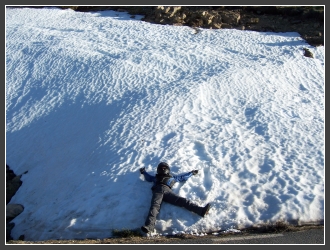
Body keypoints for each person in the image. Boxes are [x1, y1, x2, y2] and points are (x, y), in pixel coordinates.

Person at [139, 162, 211, 234]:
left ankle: (201, 211)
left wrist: (191, 173)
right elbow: (148, 178)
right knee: (154, 207)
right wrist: (144, 172)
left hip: (168, 192)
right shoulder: (155, 178)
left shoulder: (172, 178)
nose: (163, 169)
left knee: (183, 201)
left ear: (167, 169)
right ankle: (149, 226)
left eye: (164, 168)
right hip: (157, 191)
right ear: (158, 170)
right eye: (161, 168)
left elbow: (182, 177)